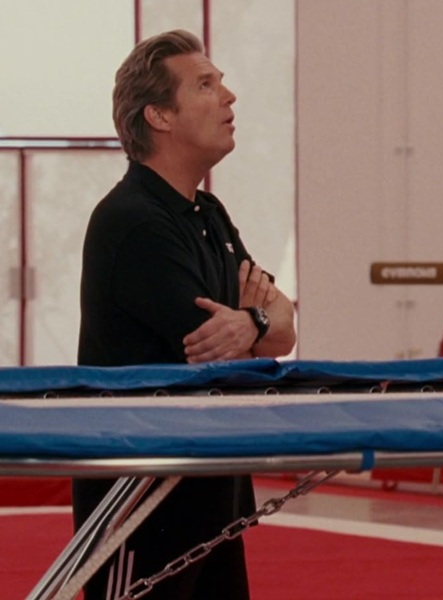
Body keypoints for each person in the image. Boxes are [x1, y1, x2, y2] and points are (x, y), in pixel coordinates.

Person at [74, 29, 296, 599]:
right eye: (205, 84)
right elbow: (209, 344)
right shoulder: (132, 221)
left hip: (210, 480)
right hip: (140, 492)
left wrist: (253, 323)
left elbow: (282, 328)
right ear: (160, 116)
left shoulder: (208, 214)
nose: (229, 96)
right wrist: (252, 326)